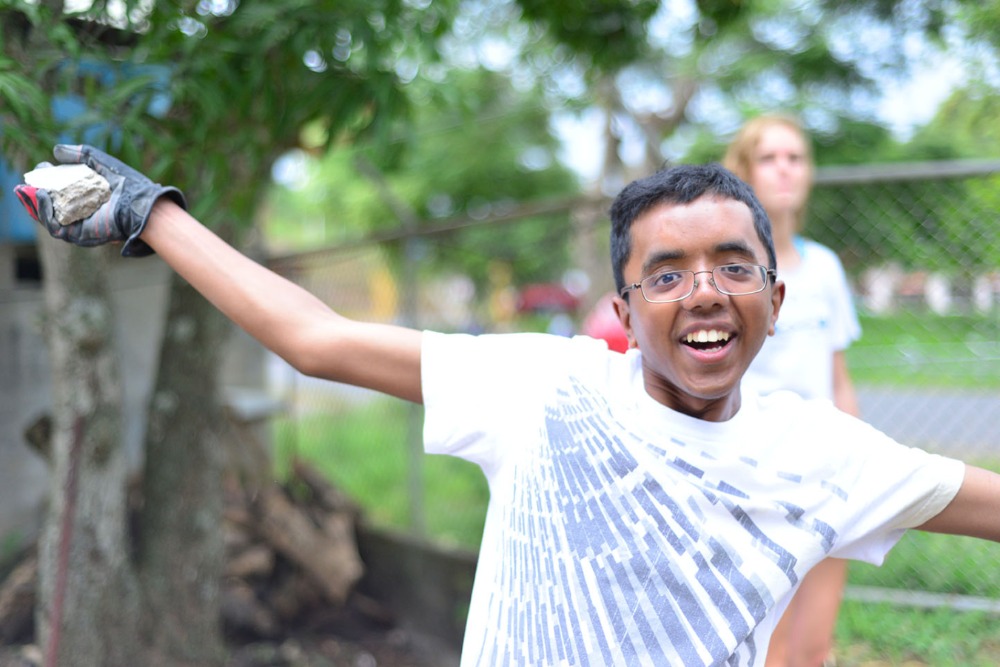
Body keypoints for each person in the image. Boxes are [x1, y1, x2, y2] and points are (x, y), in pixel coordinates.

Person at [15, 145, 1000, 667]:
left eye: (732, 267)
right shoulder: (546, 387)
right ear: (624, 312)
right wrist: (152, 212)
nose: (703, 292)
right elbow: (316, 338)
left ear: (776, 302)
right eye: (666, 274)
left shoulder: (824, 453)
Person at [723, 115, 859, 667]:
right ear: (745, 170)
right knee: (766, 650)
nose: (784, 169)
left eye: (795, 158)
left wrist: (855, 466)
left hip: (824, 477)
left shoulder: (824, 266)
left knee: (811, 649)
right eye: (769, 158)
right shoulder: (727, 270)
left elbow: (839, 379)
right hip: (751, 480)